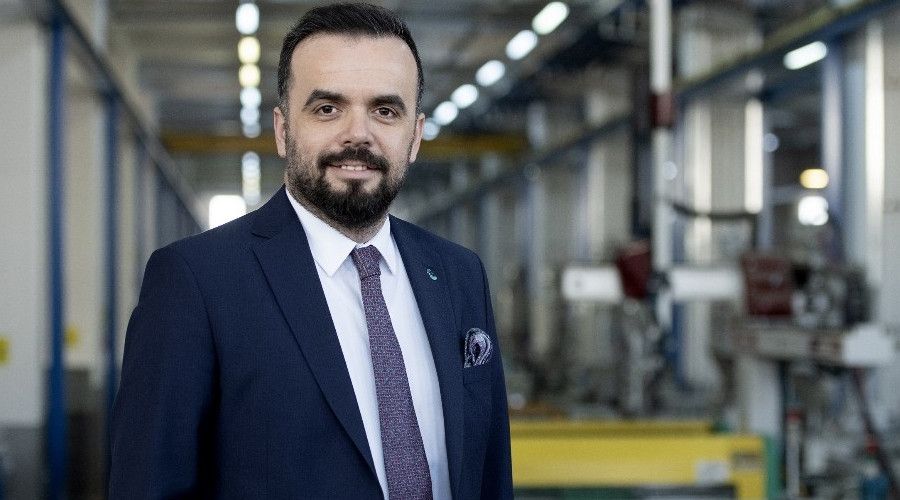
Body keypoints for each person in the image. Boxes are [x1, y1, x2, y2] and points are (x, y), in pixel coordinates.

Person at [108, 3, 512, 499]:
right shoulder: (196, 281)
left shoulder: (459, 273)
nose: (358, 134)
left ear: (415, 136)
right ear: (283, 130)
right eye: (327, 109)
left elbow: (490, 473)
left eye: (385, 111)